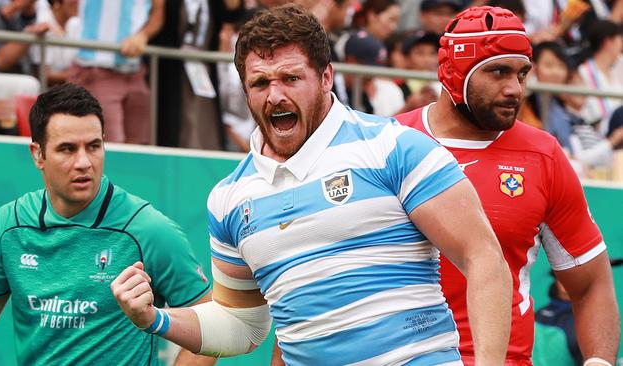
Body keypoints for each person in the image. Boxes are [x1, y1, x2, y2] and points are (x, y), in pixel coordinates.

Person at [111, 4, 513, 365]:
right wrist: (155, 319)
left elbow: (484, 259)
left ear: (325, 77)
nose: (275, 95)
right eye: (260, 83)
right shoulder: (230, 199)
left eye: (290, 78)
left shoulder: (394, 147)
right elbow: (242, 327)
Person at [395, 6, 620, 365]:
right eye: (498, 72)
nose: (514, 89)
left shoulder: (544, 155)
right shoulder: (387, 144)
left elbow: (590, 282)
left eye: (522, 73)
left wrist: (599, 362)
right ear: (454, 71)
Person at [0, 83, 215, 365]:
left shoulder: (149, 230)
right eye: (67, 149)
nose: (84, 162)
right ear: (38, 155)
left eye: (94, 146)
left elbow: (209, 325)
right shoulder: (8, 225)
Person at [68, 0, 164, 144]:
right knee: (109, 147)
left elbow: (157, 14)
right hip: (95, 68)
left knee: (138, 148)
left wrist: (143, 35)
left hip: (135, 72)